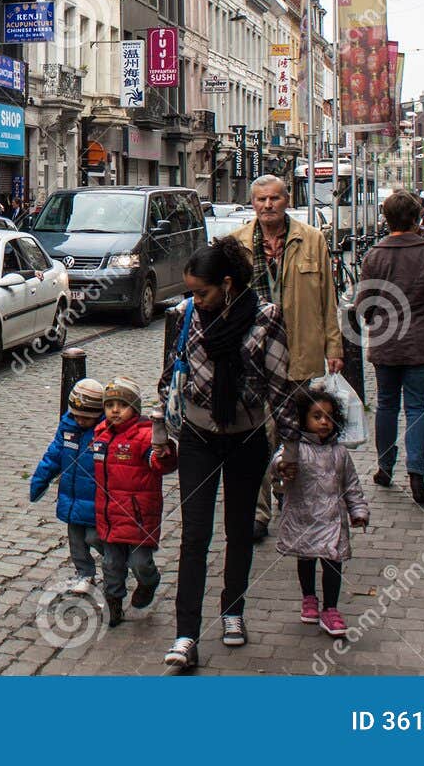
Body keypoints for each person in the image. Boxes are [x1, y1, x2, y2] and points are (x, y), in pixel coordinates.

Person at [158, 236, 299, 670]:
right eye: (191, 292)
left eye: (203, 292)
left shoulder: (265, 318)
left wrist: (290, 447)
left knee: (239, 530)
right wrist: (160, 432)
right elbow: (169, 378)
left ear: (228, 283)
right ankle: (185, 634)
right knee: (194, 535)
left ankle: (233, 610)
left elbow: (280, 385)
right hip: (198, 436)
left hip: (246, 436)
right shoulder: (184, 316)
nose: (195, 300)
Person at [233, 174, 344, 541]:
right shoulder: (236, 244)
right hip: (255, 357)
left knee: (293, 432)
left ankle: (290, 496)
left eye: (274, 199)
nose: (268, 205)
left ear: (287, 200)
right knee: (259, 435)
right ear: (253, 204)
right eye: (261, 200)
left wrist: (334, 347)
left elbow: (328, 298)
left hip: (299, 352)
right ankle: (260, 511)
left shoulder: (311, 240)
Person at [357, 189, 424, 504]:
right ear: (417, 219)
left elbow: (363, 306)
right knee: (417, 407)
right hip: (421, 343)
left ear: (386, 220)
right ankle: (416, 472)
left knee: (386, 404)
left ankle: (385, 466)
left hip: (386, 342)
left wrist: (377, 319)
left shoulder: (374, 254)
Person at [273, 384, 370, 637]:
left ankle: (330, 608)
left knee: (333, 562)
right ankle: (309, 597)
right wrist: (282, 467)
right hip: (302, 516)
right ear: (304, 419)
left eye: (328, 417)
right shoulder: (296, 448)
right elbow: (277, 464)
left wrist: (358, 511)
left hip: (332, 519)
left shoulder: (340, 453)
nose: (324, 422)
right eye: (317, 417)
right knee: (305, 558)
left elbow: (351, 485)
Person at [91, 377, 176, 627]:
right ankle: (114, 605)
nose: (115, 410)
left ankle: (149, 581)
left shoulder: (144, 437)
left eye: (122, 404)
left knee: (140, 563)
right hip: (109, 515)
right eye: (110, 405)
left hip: (138, 517)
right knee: (111, 565)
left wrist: (163, 453)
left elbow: (159, 464)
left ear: (135, 409)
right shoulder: (100, 435)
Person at [30, 378, 106, 595]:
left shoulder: (103, 433)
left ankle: (115, 562)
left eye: (87, 418)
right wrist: (40, 480)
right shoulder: (68, 427)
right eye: (78, 416)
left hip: (95, 499)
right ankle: (85, 573)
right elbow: (54, 455)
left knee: (94, 537)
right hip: (71, 496)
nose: (81, 421)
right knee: (76, 542)